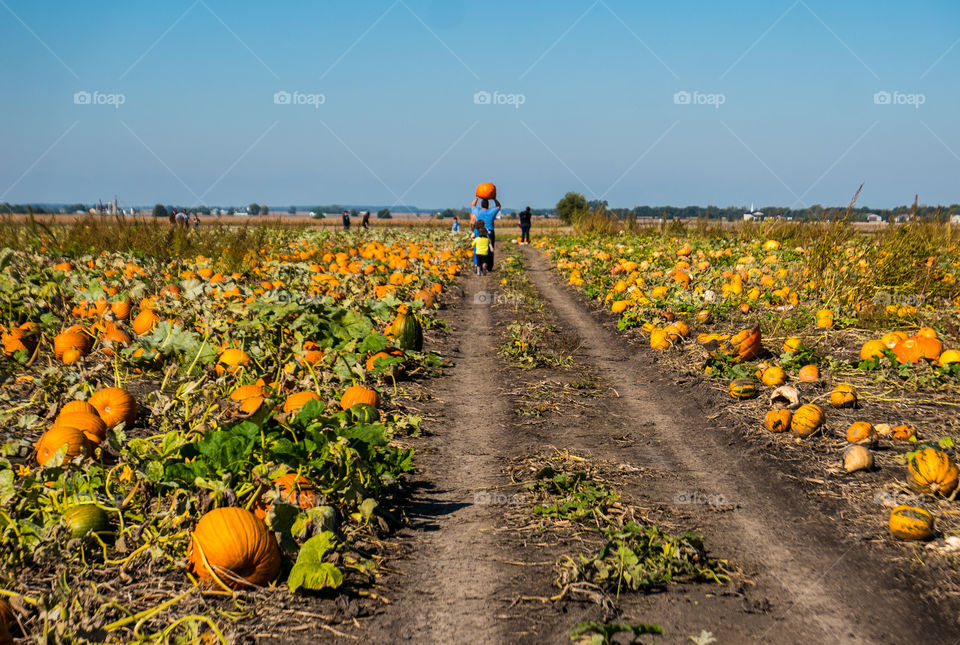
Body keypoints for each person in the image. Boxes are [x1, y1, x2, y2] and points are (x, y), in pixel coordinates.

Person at [470, 195, 501, 269]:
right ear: (488, 205)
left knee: (479, 248)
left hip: (479, 231)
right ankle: (489, 266)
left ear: (481, 205)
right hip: (489, 232)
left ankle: (479, 265)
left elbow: (472, 205)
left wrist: (477, 198)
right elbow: (498, 206)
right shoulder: (492, 211)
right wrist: (494, 199)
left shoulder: (477, 211)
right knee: (490, 249)